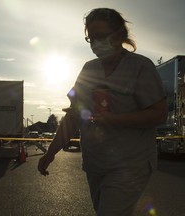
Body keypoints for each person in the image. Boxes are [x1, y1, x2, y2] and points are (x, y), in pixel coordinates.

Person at [38, 8, 167, 216]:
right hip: (96, 165)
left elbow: (159, 113)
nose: (95, 43)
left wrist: (116, 120)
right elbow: (74, 115)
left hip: (130, 165)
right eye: (91, 39)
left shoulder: (141, 67)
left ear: (118, 35)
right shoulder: (88, 69)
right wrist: (51, 152)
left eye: (101, 36)